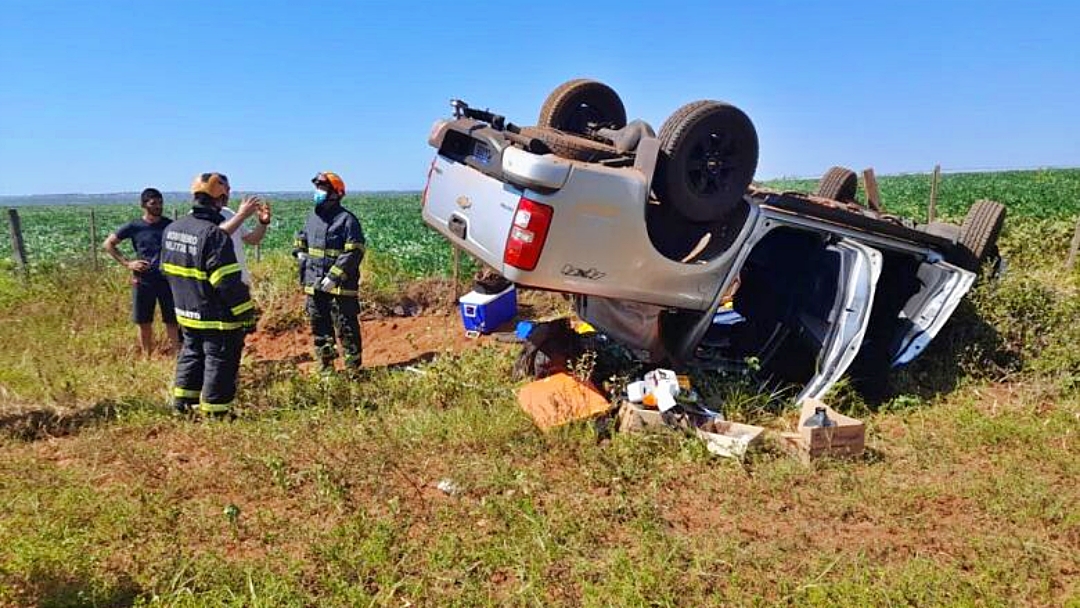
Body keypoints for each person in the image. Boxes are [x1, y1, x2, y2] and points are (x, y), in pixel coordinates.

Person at [162, 173, 256, 416]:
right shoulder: (213, 235)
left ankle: (183, 404)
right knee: (220, 359)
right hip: (215, 315)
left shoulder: (173, 228)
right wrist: (246, 313)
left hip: (185, 312)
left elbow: (166, 270)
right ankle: (217, 412)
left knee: (191, 354)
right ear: (221, 198)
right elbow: (226, 282)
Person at [293, 171, 365, 374]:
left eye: (323, 188)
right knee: (320, 328)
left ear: (335, 193)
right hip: (314, 285)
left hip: (341, 289)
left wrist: (334, 277)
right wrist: (299, 252)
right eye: (317, 188)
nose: (318, 192)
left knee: (346, 328)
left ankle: (354, 371)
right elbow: (301, 238)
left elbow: (354, 251)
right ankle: (326, 370)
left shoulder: (347, 220)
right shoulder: (312, 217)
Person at [103, 187, 180, 356]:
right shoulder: (134, 226)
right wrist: (128, 263)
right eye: (154, 203)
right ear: (144, 205)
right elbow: (108, 244)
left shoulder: (169, 226)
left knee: (172, 319)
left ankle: (177, 354)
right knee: (144, 321)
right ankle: (147, 356)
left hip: (167, 279)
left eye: (160, 202)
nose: (158, 206)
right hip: (143, 280)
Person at [219, 194, 272, 285]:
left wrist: (263, 222)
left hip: (239, 285)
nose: (227, 195)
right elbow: (216, 237)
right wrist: (241, 215)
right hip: (218, 289)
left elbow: (253, 239)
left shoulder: (229, 213)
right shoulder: (198, 217)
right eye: (225, 190)